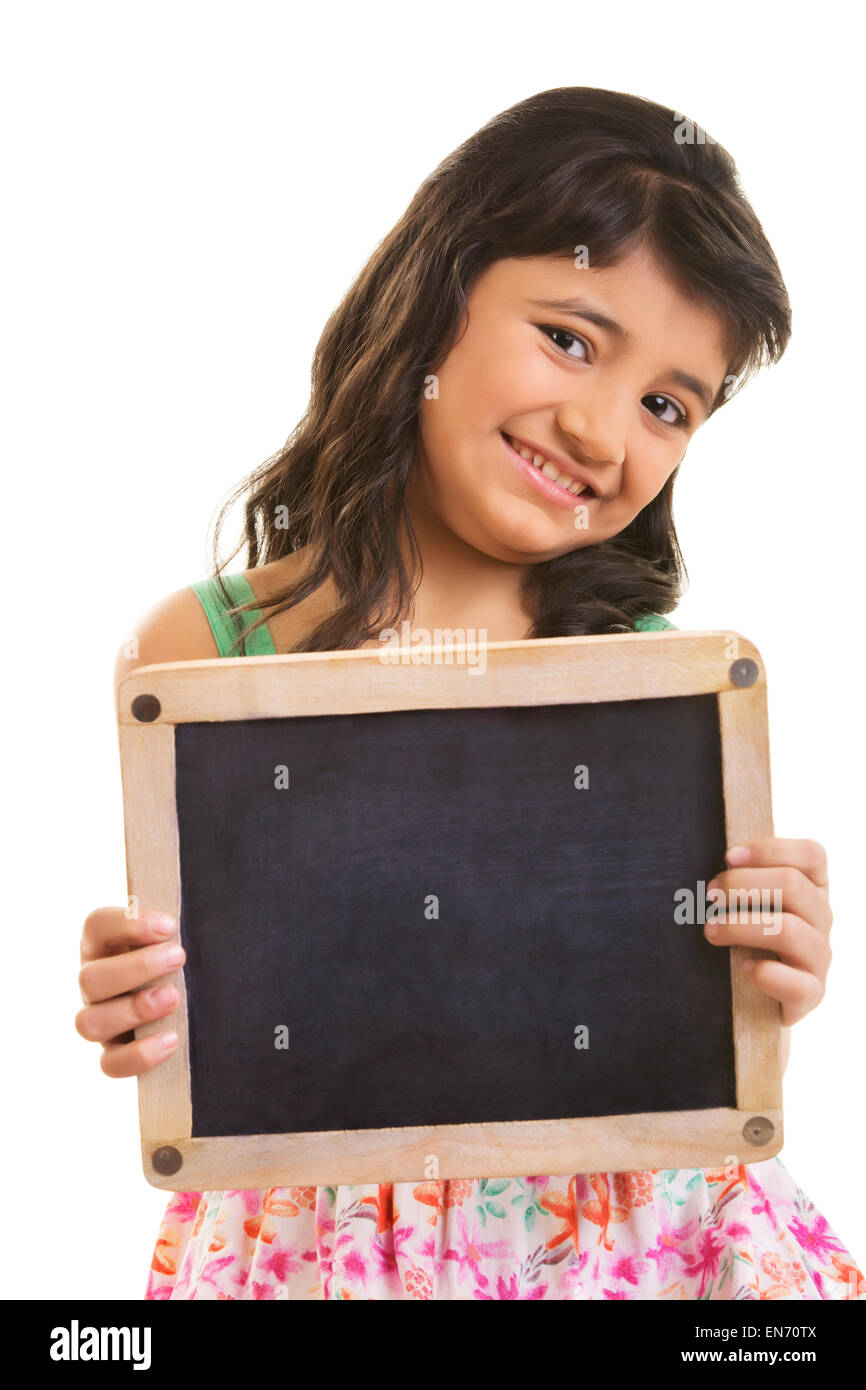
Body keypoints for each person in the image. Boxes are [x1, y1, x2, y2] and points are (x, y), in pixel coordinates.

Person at [77, 86, 863, 1300]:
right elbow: (215, 995)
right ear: (437, 291)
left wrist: (769, 957)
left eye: (666, 405)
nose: (604, 430)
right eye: (570, 337)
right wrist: (143, 1000)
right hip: (326, 1240)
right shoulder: (201, 650)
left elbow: (678, 974)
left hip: (632, 1231)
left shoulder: (645, 676)